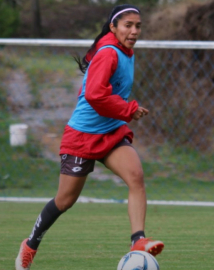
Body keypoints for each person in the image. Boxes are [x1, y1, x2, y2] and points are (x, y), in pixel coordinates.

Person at [15, 4, 164, 270]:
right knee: (64, 201)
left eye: (137, 26)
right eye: (127, 25)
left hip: (110, 131)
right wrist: (128, 109)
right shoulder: (108, 53)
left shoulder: (126, 52)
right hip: (82, 136)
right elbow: (95, 96)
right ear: (113, 28)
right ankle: (30, 244)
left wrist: (123, 112)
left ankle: (138, 241)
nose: (133, 31)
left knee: (136, 176)